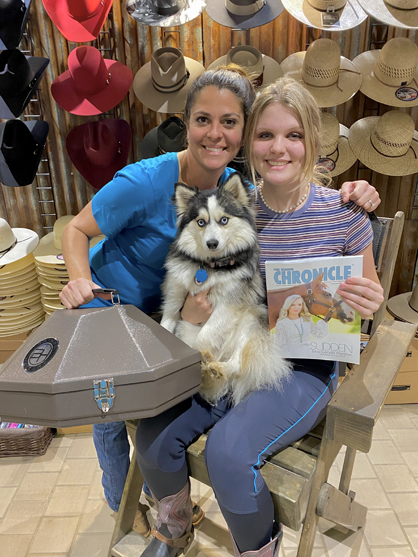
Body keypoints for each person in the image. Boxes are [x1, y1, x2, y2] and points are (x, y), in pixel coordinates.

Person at [59, 66, 381, 533]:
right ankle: (175, 530)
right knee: (149, 441)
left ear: (312, 140)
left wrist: (366, 302)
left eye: (293, 135)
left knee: (228, 455)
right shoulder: (233, 205)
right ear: (251, 144)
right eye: (266, 134)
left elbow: (365, 303)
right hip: (219, 347)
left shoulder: (344, 212)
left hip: (300, 363)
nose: (278, 147)